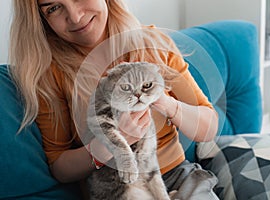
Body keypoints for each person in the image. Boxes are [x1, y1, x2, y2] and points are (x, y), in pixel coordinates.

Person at [9, 0, 219, 199]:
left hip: (177, 177)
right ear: (41, 20)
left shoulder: (152, 44)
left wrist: (166, 103)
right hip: (116, 189)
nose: (75, 16)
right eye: (54, 7)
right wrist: (108, 145)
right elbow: (60, 167)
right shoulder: (51, 74)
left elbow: (208, 128)